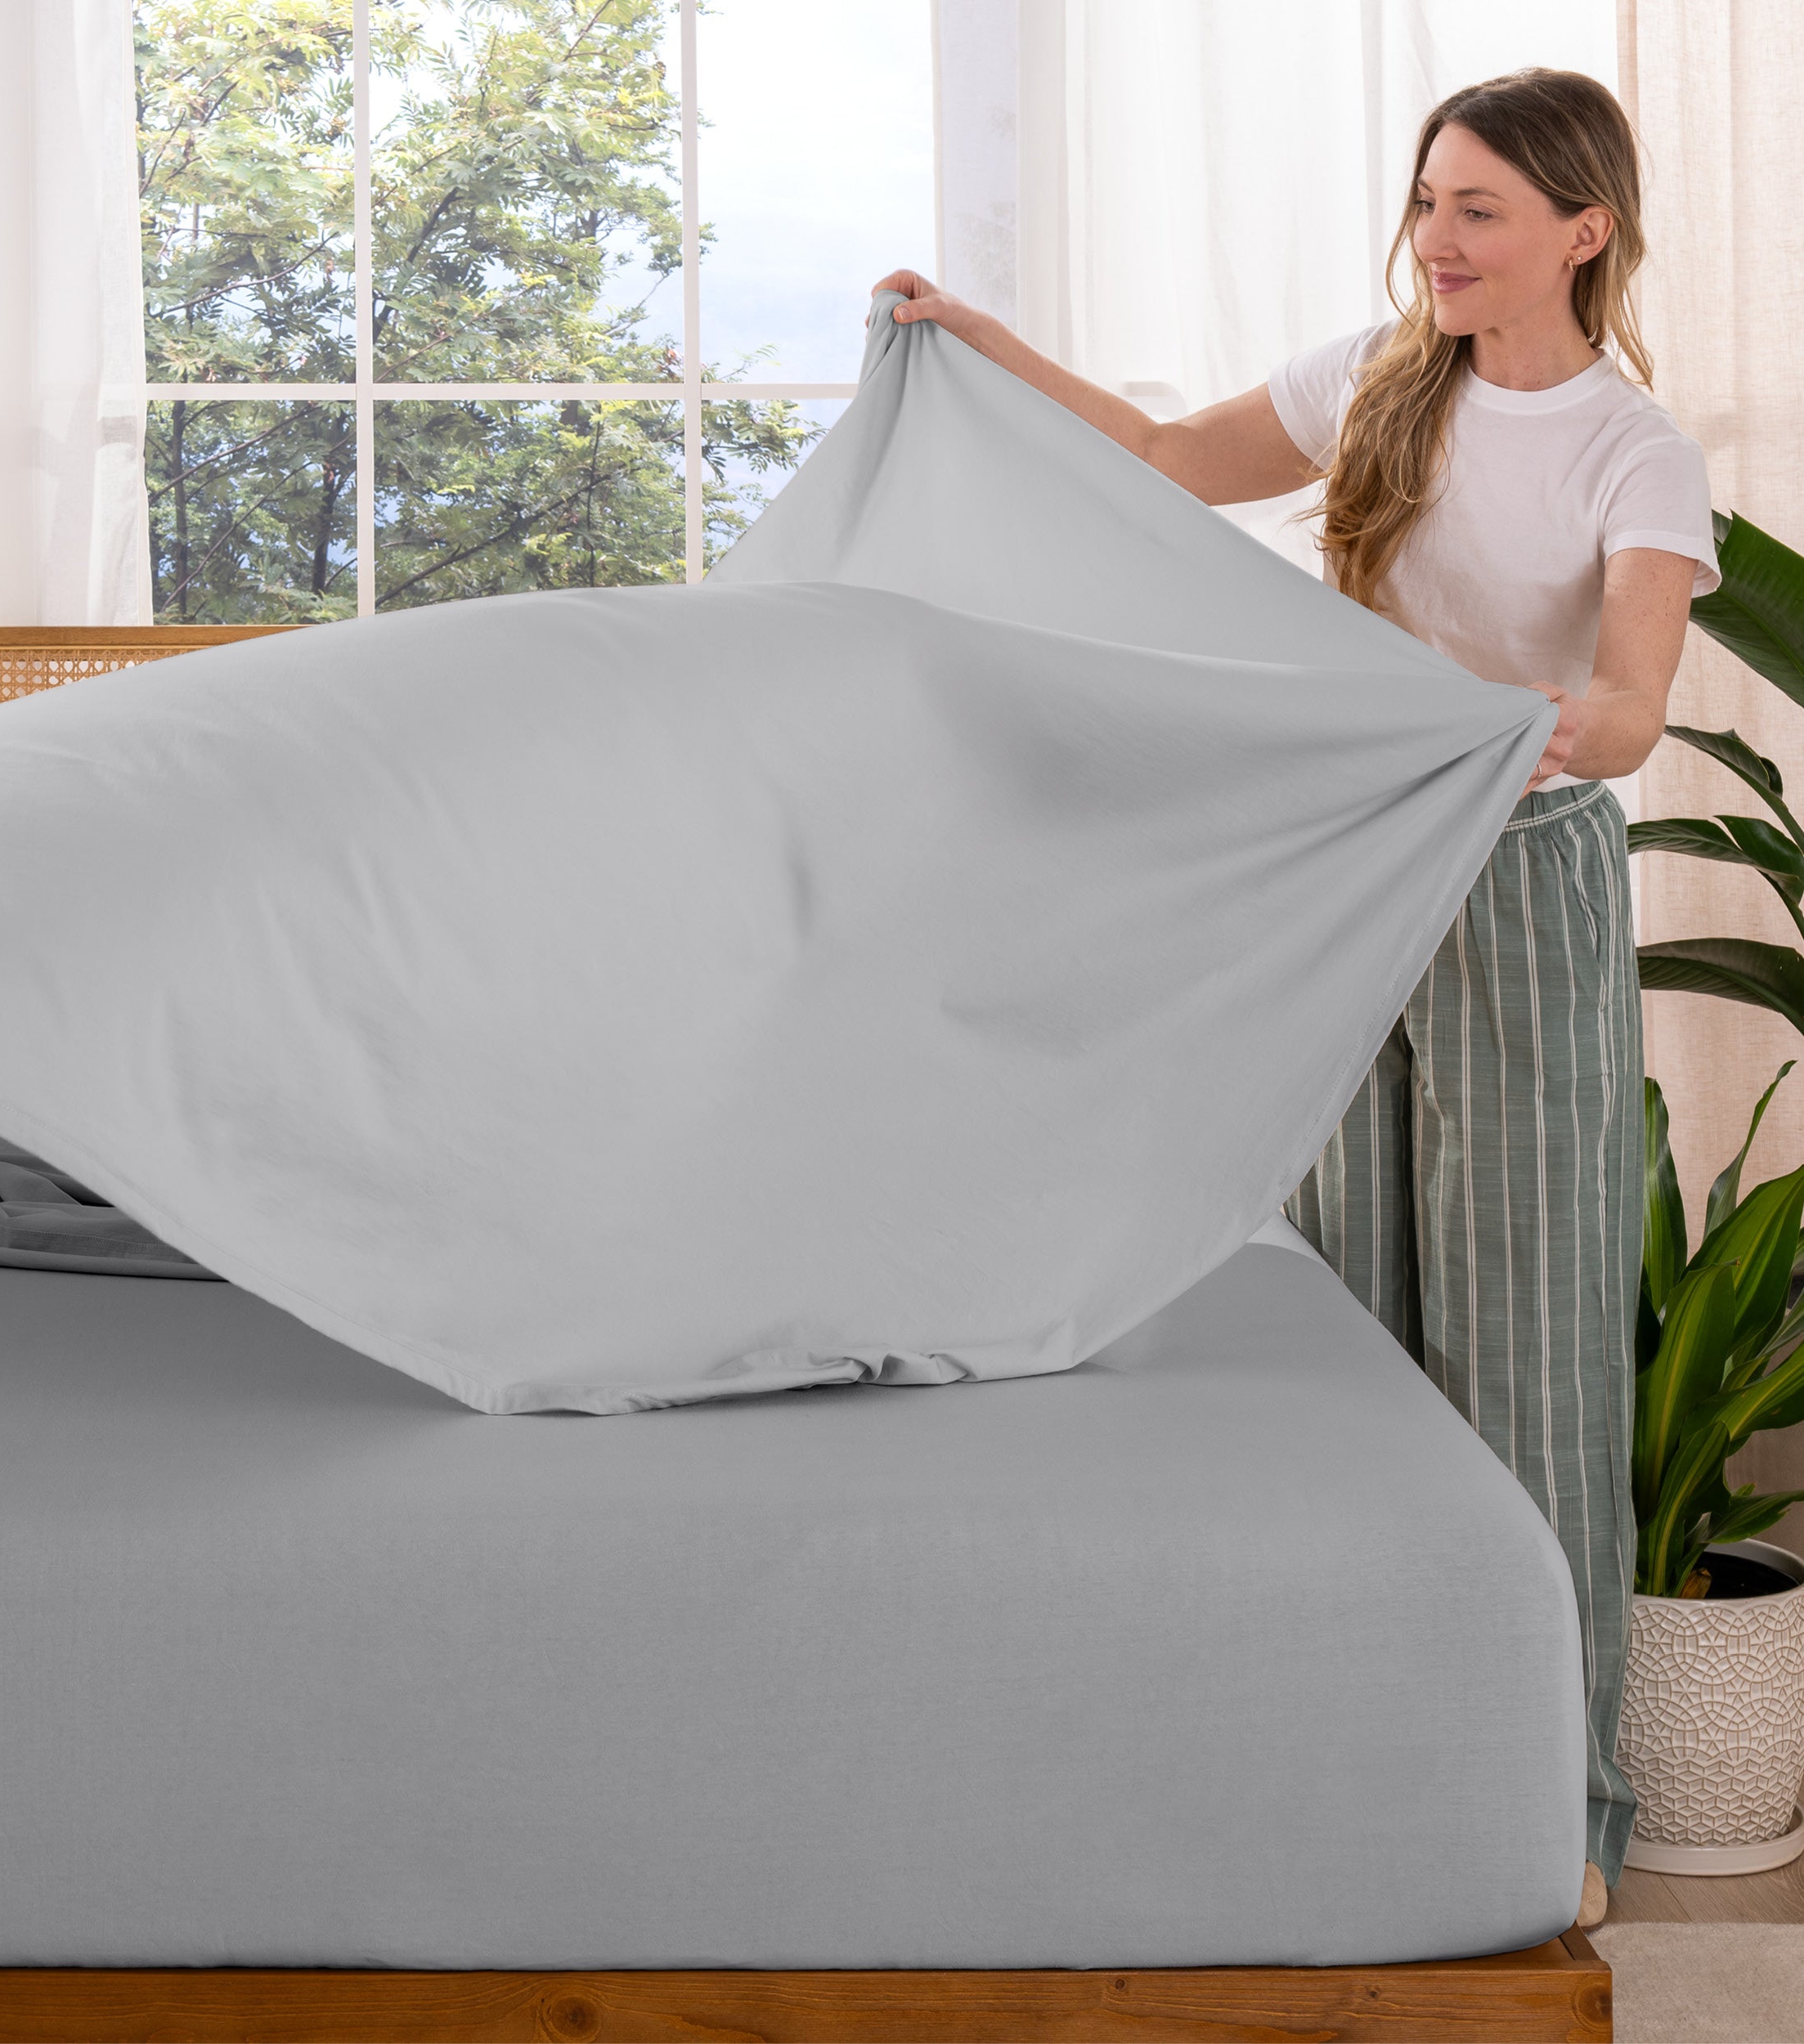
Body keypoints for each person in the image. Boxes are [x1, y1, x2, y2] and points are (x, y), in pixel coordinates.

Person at [873, 68, 1719, 1930]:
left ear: (1580, 229)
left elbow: (1629, 710)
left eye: (1478, 207)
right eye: (1425, 199)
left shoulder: (1629, 449)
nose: (1434, 235)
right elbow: (1169, 464)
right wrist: (976, 340)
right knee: (1349, 1338)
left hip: (1512, 875)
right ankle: (1361, 1759)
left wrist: (1466, 732)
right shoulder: (1373, 375)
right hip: (1342, 867)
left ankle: (1557, 1792)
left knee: (1522, 1359)